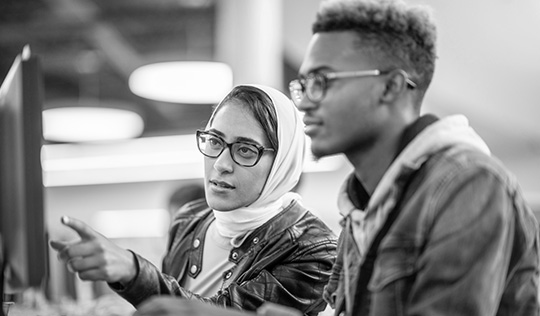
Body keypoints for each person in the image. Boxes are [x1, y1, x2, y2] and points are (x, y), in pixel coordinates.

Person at [287, 0, 540, 315]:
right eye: (304, 85)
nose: (305, 103)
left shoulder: (468, 185)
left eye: (322, 81)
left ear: (390, 86)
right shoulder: (362, 206)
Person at [49, 84, 338, 315]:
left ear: (282, 163)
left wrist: (134, 271)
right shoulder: (190, 219)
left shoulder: (315, 250)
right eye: (214, 141)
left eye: (245, 150)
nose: (221, 163)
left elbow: (221, 313)